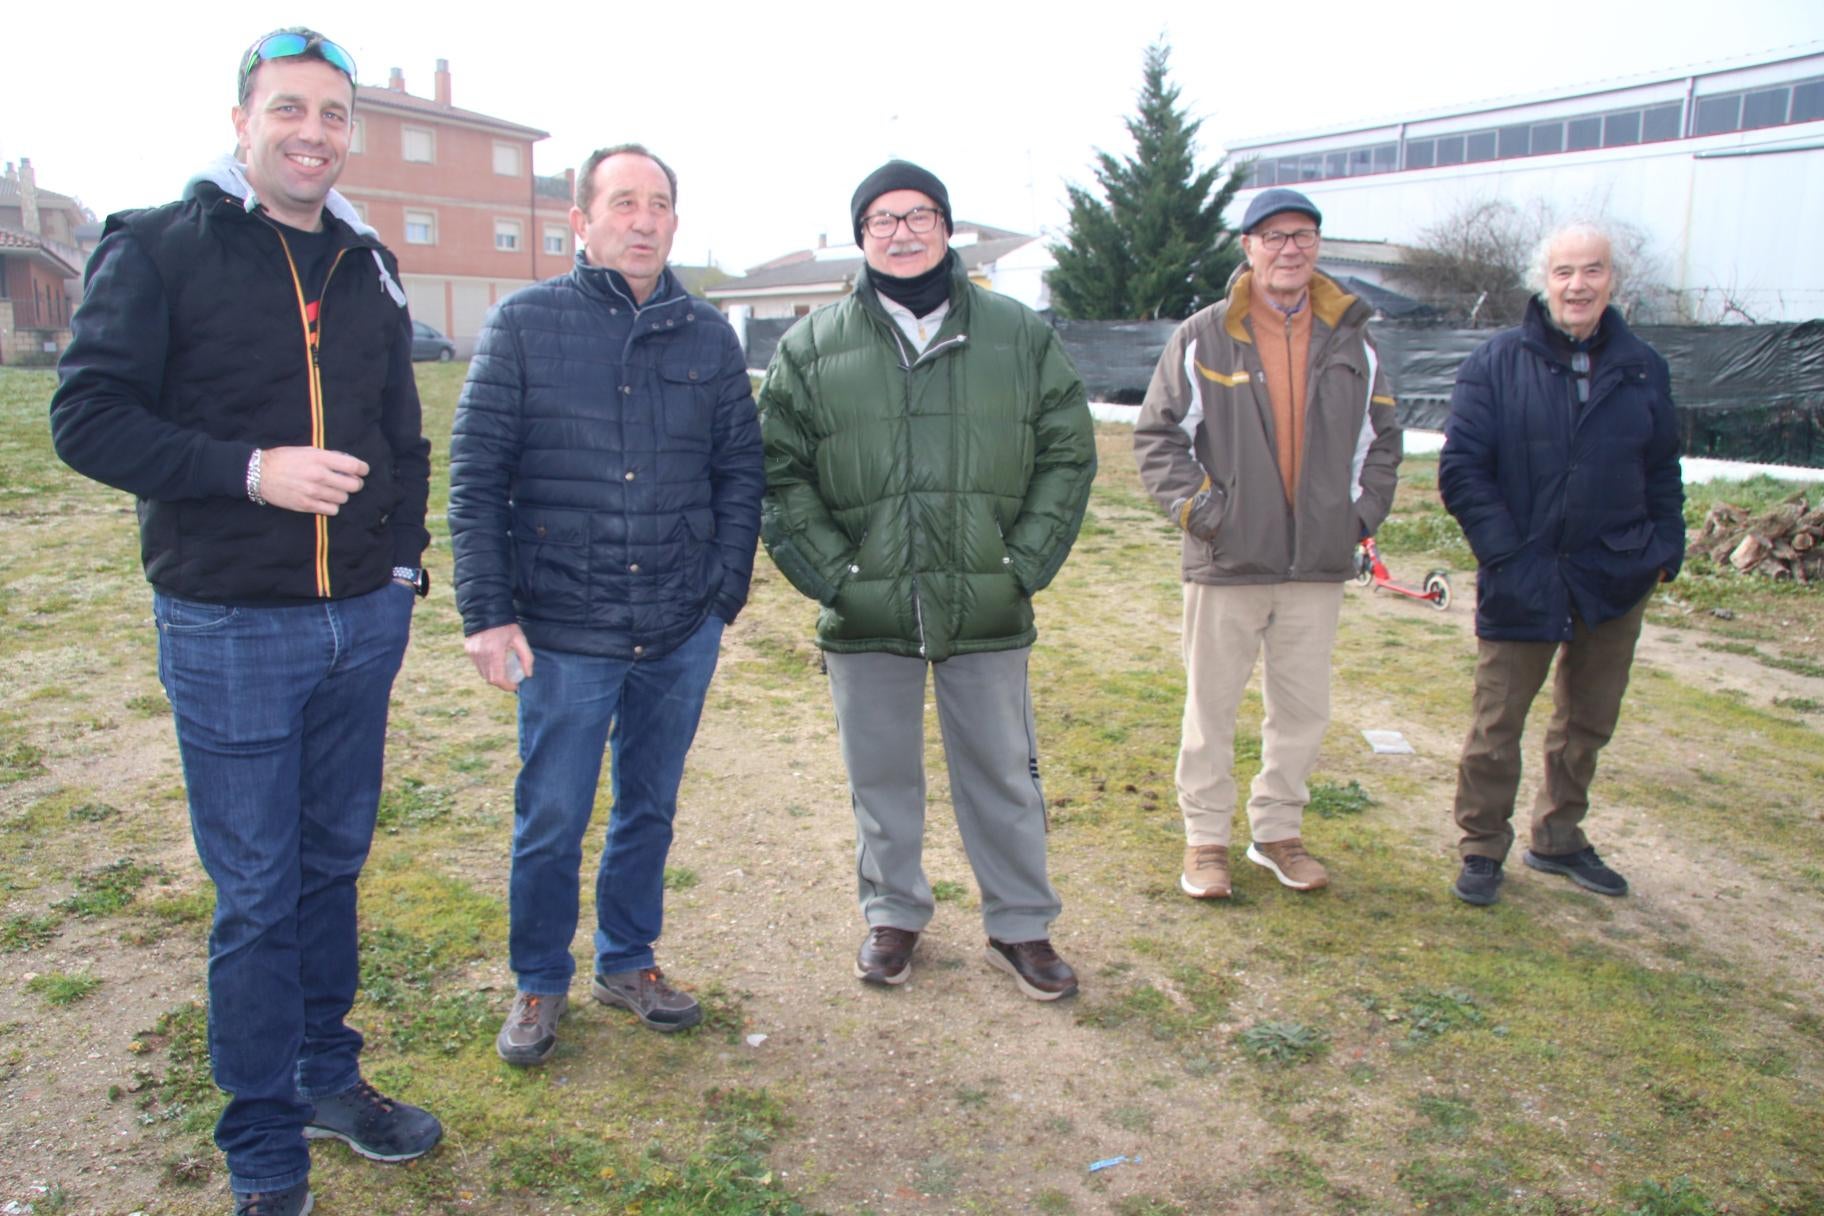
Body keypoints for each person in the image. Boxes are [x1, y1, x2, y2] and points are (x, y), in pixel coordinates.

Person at [49, 28, 439, 1216]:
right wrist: (248, 469)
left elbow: (403, 434)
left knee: (331, 869)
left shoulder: (368, 264)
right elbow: (87, 418)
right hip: (229, 627)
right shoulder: (160, 247)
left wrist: (404, 571)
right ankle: (261, 1137)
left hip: (359, 624)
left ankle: (329, 1076)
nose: (312, 133)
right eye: (289, 110)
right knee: (259, 891)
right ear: (242, 122)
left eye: (331, 114)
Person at [448, 145, 763, 1064]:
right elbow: (475, 480)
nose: (643, 219)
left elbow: (741, 468)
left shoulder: (707, 334)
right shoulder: (523, 325)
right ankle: (540, 980)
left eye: (659, 203)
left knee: (649, 805)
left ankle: (628, 960)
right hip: (564, 629)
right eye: (622, 202)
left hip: (678, 624)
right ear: (579, 222)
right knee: (552, 813)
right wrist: (486, 612)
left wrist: (722, 589)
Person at [759, 160, 1096, 1001]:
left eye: (919, 216)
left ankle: (1021, 924)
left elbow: (1067, 451)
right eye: (882, 220)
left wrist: (1022, 563)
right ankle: (894, 912)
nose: (902, 232)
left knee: (1001, 770)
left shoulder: (1019, 335)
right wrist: (836, 574)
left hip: (985, 599)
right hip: (869, 605)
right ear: (862, 236)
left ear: (947, 229)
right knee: (880, 773)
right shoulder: (810, 346)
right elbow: (775, 471)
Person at [1135, 187, 1402, 901]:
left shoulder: (1352, 339)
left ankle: (1277, 833)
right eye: (1275, 236)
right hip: (1227, 562)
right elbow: (1158, 438)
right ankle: (1206, 842)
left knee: (1303, 709)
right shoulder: (1204, 336)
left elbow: (1381, 442)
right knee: (1210, 708)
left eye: (1304, 235)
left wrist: (1356, 518)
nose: (1291, 248)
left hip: (1316, 563)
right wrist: (1207, 514)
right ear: (1248, 248)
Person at [1440, 220, 1684, 906]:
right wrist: (1508, 555)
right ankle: (1483, 845)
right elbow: (1463, 471)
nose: (1578, 285)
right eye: (1563, 272)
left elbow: (1663, 466)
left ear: (1612, 279)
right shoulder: (1495, 363)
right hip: (1524, 572)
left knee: (1587, 720)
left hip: (1616, 573)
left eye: (1592, 270)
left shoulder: (1643, 368)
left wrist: (1667, 548)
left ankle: (1559, 835)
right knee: (1497, 724)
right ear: (1542, 282)